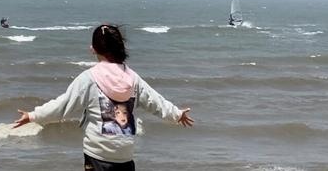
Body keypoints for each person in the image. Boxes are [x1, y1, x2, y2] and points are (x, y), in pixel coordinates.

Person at [13, 24, 194, 171]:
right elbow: (155, 101)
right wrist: (176, 114)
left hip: (98, 155)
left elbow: (63, 105)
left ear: (93, 49)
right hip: (125, 155)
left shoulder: (89, 78)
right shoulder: (132, 78)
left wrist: (33, 115)